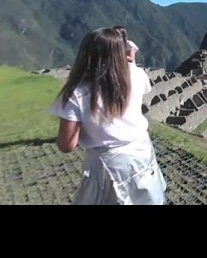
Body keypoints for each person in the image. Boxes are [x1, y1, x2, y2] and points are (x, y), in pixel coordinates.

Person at [49, 27, 166, 205]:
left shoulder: (78, 93)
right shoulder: (137, 75)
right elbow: (140, 85)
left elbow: (67, 145)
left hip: (108, 166)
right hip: (142, 153)